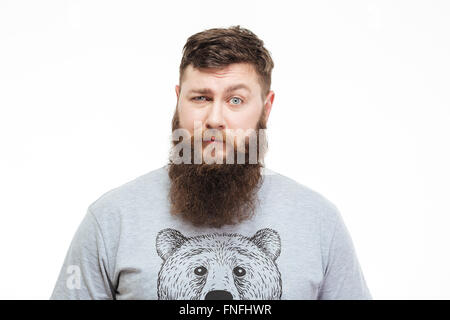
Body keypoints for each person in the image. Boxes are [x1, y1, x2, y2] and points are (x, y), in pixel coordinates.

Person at [50, 25, 372, 300]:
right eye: (200, 97)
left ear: (266, 107)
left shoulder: (318, 223)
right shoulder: (111, 221)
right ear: (178, 100)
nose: (215, 118)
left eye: (235, 100)